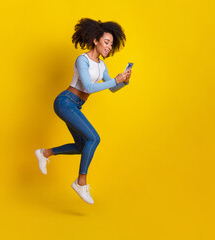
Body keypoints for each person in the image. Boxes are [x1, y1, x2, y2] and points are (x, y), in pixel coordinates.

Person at [35, 18, 131, 204]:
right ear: (96, 40)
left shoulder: (101, 65)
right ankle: (81, 182)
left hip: (75, 106)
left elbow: (111, 88)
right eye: (106, 42)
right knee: (94, 138)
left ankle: (45, 153)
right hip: (65, 102)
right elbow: (88, 87)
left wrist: (124, 82)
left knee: (82, 146)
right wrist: (115, 81)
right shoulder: (83, 60)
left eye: (111, 44)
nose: (109, 47)